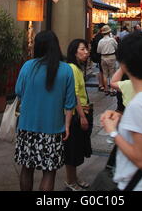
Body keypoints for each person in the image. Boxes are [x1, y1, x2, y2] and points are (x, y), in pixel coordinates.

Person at [101, 31, 142, 191]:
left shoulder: (139, 104)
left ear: (123, 64)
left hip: (141, 186)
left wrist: (113, 132)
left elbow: (141, 160)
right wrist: (122, 121)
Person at [15, 30, 76, 192]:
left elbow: (19, 91)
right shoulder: (66, 70)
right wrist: (67, 126)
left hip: (27, 127)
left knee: (26, 168)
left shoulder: (28, 66)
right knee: (49, 171)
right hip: (53, 128)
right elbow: (70, 103)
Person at [64, 39, 93, 191]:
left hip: (80, 112)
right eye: (83, 49)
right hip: (75, 114)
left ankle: (74, 178)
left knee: (76, 148)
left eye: (87, 49)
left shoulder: (77, 68)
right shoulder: (72, 68)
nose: (86, 52)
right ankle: (70, 180)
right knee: (72, 149)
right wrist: (82, 116)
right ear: (74, 51)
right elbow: (74, 94)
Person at [97, 25, 118, 96]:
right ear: (109, 32)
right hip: (111, 56)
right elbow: (116, 47)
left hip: (103, 57)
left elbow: (98, 51)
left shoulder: (101, 41)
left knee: (105, 74)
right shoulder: (112, 40)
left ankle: (106, 89)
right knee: (112, 74)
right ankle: (112, 90)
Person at [90, 24, 106, 92]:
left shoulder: (97, 35)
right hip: (100, 55)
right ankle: (101, 85)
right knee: (102, 71)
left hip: (99, 55)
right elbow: (98, 47)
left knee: (101, 70)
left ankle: (101, 85)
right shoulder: (99, 36)